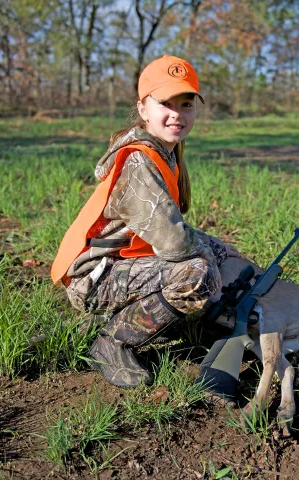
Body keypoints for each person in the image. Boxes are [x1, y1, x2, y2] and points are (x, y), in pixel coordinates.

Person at [51, 55, 239, 388]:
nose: (177, 114)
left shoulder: (166, 151)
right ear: (143, 109)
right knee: (198, 276)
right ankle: (114, 341)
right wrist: (210, 269)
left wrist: (216, 251)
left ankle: (210, 311)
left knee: (218, 250)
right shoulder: (140, 160)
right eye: (165, 103)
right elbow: (175, 243)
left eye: (186, 104)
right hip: (96, 277)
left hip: (124, 262)